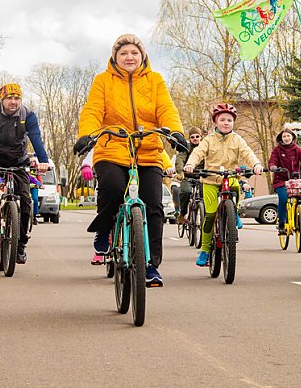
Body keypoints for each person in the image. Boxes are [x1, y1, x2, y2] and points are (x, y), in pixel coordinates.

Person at [74, 34, 187, 288]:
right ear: (115, 56)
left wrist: (175, 132)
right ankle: (104, 229)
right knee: (112, 187)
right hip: (112, 148)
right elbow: (92, 110)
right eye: (123, 53)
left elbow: (166, 109)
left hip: (148, 150)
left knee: (154, 205)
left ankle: (150, 266)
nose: (129, 57)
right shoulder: (103, 81)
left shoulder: (155, 80)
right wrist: (87, 135)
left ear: (142, 56)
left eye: (134, 53)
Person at [0, 83, 51, 264]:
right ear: (2, 99)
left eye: (17, 98)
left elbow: (36, 138)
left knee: (26, 201)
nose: (13, 102)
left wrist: (43, 160)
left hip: (18, 159)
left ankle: (21, 244)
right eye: (9, 98)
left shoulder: (28, 115)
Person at [183, 103, 264, 267]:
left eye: (229, 120)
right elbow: (197, 153)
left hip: (230, 176)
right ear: (216, 122)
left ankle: (234, 214)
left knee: (235, 187)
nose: (226, 123)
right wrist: (190, 164)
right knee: (210, 214)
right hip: (211, 180)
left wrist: (256, 164)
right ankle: (205, 250)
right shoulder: (208, 140)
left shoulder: (237, 139)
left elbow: (247, 153)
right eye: (223, 120)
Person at [268, 127, 301, 234]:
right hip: (281, 180)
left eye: (288, 136)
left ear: (292, 137)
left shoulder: (298, 149)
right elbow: (272, 161)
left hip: (294, 180)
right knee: (283, 198)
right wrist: (273, 167)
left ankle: (297, 217)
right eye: (284, 136)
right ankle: (282, 223)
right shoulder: (277, 150)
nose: (286, 138)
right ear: (281, 138)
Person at [174, 126, 204, 225]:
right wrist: (180, 172)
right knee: (186, 191)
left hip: (203, 177)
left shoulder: (206, 147)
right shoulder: (185, 148)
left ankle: (206, 215)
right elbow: (180, 160)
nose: (195, 138)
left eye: (197, 136)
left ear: (201, 137)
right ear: (190, 139)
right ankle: (182, 213)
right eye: (192, 137)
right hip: (187, 177)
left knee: (205, 194)